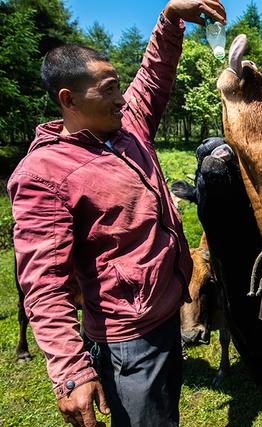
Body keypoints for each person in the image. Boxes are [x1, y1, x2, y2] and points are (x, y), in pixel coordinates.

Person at [8, 1, 226, 426]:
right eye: (108, 89)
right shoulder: (42, 175)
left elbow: (154, 76)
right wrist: (70, 371)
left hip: (167, 316)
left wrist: (171, 17)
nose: (121, 97)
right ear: (68, 99)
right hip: (129, 341)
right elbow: (43, 283)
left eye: (118, 86)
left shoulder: (125, 128)